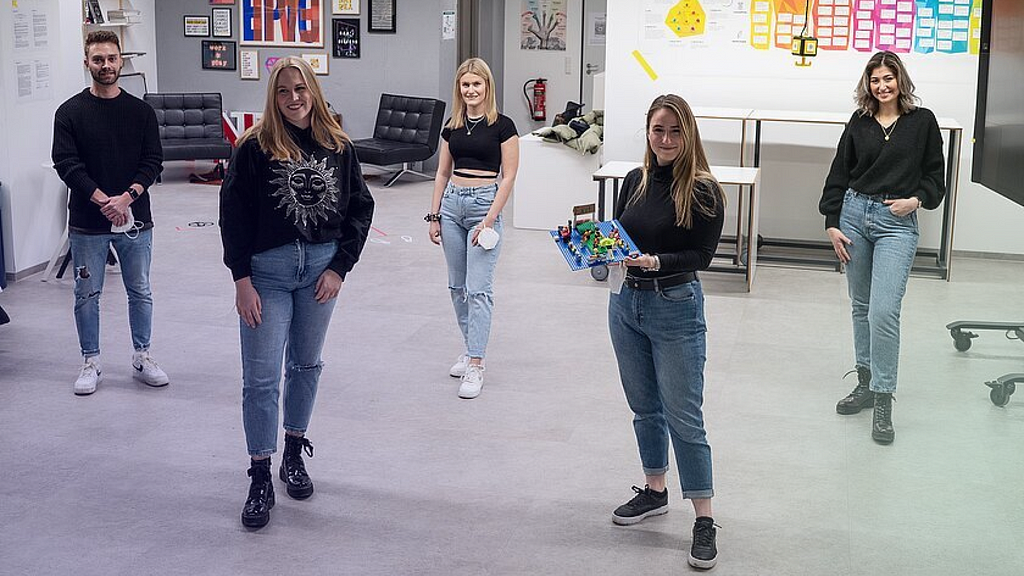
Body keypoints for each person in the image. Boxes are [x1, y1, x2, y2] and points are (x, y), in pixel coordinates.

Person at [219, 57, 375, 529]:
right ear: (273, 96)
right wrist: (241, 280)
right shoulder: (254, 148)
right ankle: (260, 472)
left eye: (300, 88)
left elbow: (361, 208)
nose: (293, 98)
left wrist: (340, 268)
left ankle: (293, 450)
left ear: (314, 90)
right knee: (262, 378)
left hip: (320, 274)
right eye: (283, 90)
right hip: (267, 274)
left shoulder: (338, 146)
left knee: (306, 365)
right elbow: (234, 215)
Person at [607, 94, 726, 570]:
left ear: (689, 134)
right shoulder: (635, 180)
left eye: (676, 131)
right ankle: (655, 491)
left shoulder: (703, 189)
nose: (667, 140)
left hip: (674, 305)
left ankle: (703, 517)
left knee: (684, 417)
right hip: (625, 303)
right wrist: (592, 247)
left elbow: (702, 256)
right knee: (644, 407)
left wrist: (656, 262)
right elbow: (618, 232)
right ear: (648, 132)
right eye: (659, 130)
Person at [820, 51, 945, 445]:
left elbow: (936, 175)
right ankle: (866, 383)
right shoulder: (859, 122)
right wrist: (832, 222)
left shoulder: (922, 122)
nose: (882, 85)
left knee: (884, 310)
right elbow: (839, 172)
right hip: (855, 215)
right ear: (868, 84)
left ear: (900, 79)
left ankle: (885, 396)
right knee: (860, 307)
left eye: (888, 77)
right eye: (875, 80)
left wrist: (918, 201)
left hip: (897, 220)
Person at [52, 30, 166, 396]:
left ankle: (143, 355)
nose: (106, 65)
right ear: (87, 63)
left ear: (120, 61)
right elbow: (67, 164)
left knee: (141, 290)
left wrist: (127, 198)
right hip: (88, 224)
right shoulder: (69, 113)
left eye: (111, 58)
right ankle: (91, 361)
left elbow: (153, 161)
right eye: (98, 59)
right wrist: (105, 201)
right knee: (87, 293)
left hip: (136, 219)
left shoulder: (141, 112)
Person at [427, 58, 519, 399]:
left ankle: (476, 363)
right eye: (465, 85)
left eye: (476, 84)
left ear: (487, 87)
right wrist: (434, 215)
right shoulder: (452, 126)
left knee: (478, 289)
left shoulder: (504, 126)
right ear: (459, 89)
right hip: (452, 206)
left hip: (484, 205)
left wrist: (490, 219)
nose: (471, 90)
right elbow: (441, 173)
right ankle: (470, 348)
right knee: (457, 286)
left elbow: (508, 177)